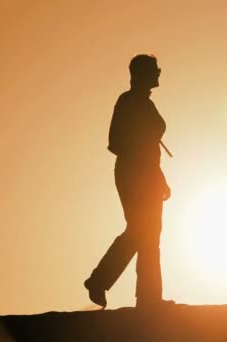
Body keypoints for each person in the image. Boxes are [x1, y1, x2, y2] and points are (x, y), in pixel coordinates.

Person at [84, 54, 171, 309]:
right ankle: (102, 281)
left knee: (149, 234)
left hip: (149, 176)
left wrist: (159, 178)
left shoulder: (144, 103)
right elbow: (115, 143)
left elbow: (150, 147)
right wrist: (142, 161)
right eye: (155, 70)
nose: (158, 74)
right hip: (134, 175)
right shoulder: (128, 102)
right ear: (142, 73)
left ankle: (148, 298)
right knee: (140, 231)